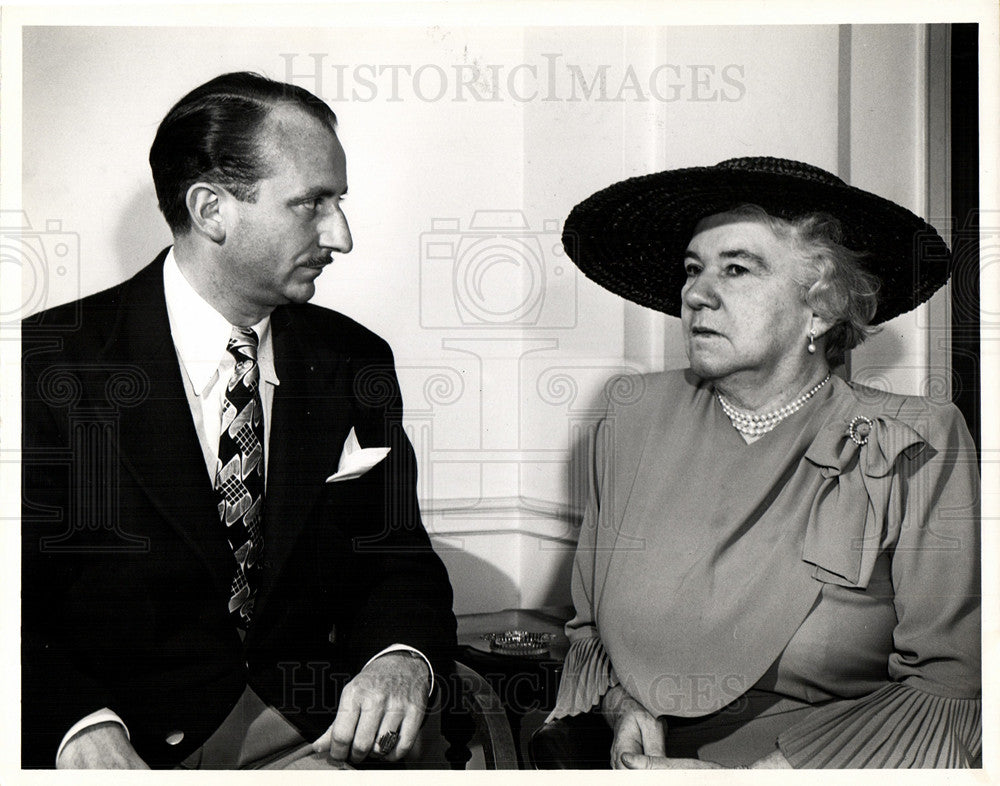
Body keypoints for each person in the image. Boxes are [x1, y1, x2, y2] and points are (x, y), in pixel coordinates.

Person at [21, 72, 456, 770]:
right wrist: (76, 724)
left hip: (318, 735)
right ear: (211, 210)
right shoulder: (49, 366)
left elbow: (397, 559)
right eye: (311, 204)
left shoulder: (355, 360)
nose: (340, 234)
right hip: (132, 745)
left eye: (338, 202)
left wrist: (398, 659)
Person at [533, 157, 980, 769]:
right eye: (693, 269)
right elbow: (589, 629)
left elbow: (952, 683)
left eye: (736, 268)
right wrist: (622, 708)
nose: (694, 293)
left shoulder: (917, 438)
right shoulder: (632, 416)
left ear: (819, 309)